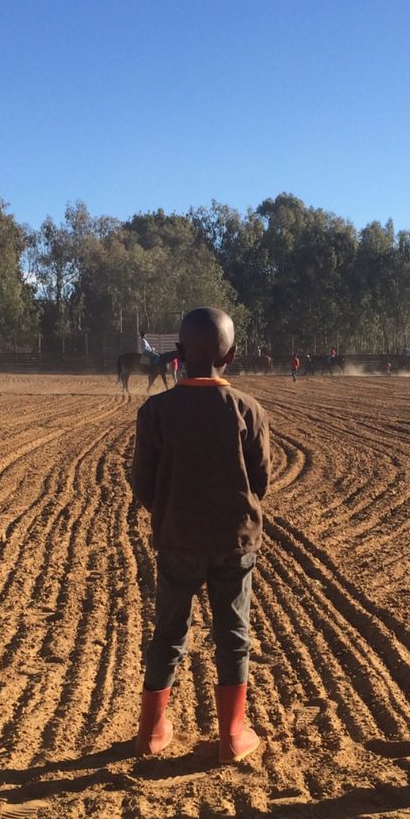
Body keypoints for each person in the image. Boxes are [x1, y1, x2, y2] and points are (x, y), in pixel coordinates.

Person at [131, 307, 270, 764]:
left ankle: (151, 731)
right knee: (233, 633)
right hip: (234, 543)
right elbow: (260, 482)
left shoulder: (155, 410)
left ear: (178, 354)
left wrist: (171, 515)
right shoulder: (249, 411)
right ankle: (232, 735)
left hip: (177, 541)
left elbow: (143, 484)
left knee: (169, 631)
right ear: (231, 355)